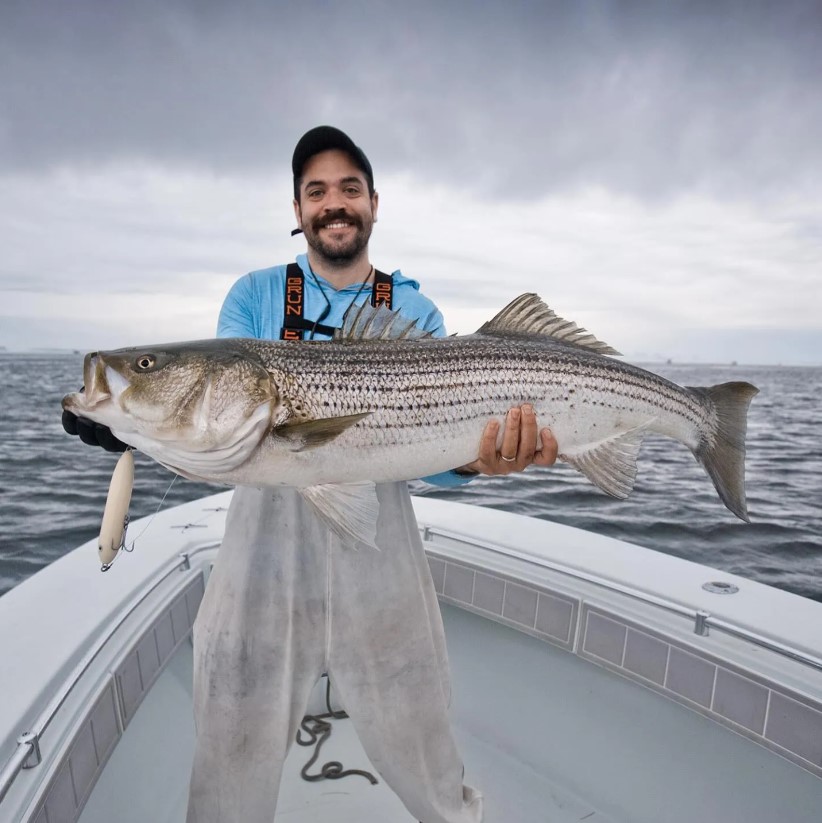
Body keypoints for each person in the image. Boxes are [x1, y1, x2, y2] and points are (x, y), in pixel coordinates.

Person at [64, 126, 558, 823]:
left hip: (381, 543)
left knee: (417, 719)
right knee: (233, 714)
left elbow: (434, 461)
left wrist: (482, 460)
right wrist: (126, 421)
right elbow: (216, 428)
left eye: (349, 189)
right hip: (263, 548)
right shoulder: (253, 298)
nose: (334, 203)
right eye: (316, 190)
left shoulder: (415, 311)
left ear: (375, 204)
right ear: (297, 209)